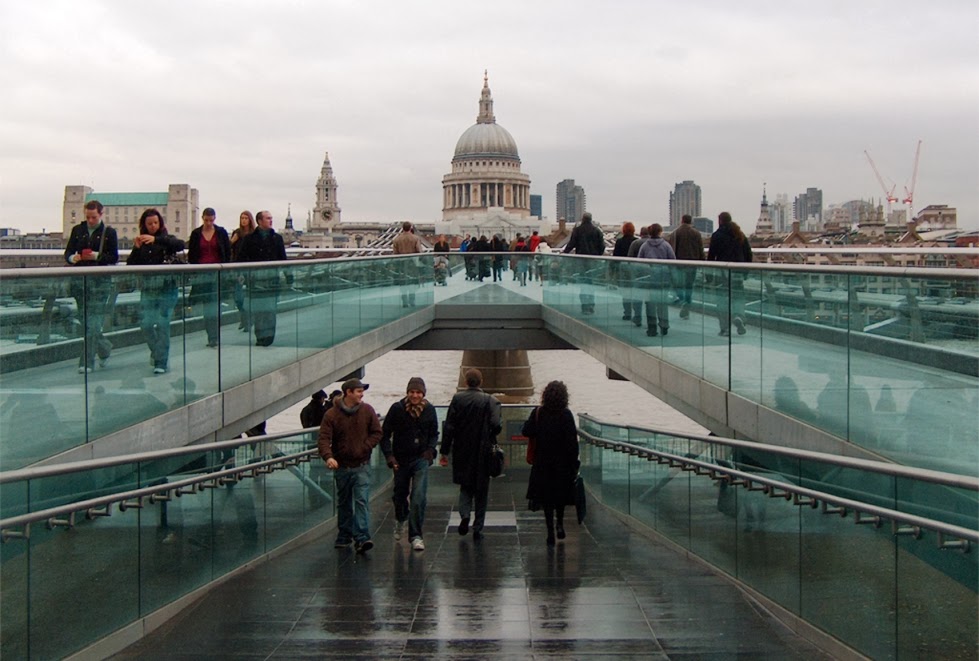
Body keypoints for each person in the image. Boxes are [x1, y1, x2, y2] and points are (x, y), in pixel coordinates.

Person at [318, 378, 382, 553]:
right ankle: (345, 535)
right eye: (359, 391)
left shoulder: (367, 410)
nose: (362, 394)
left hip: (362, 465)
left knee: (361, 501)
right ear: (348, 392)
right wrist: (328, 457)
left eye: (362, 391)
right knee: (344, 502)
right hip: (342, 466)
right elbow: (323, 438)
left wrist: (365, 446)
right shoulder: (331, 415)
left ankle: (362, 537)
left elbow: (377, 432)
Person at [439, 368, 502, 541]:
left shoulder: (458, 399)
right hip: (483, 451)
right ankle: (478, 527)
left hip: (462, 450)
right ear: (480, 382)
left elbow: (449, 427)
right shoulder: (490, 400)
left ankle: (465, 515)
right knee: (482, 489)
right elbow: (496, 425)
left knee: (465, 486)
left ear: (466, 382)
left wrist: (444, 451)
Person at [381, 377, 439, 551]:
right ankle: (400, 518)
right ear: (407, 393)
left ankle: (416, 535)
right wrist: (389, 456)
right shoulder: (397, 409)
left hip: (420, 458)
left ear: (423, 394)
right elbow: (385, 435)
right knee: (400, 495)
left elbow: (434, 433)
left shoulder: (429, 410)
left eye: (418, 392)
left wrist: (430, 450)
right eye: (412, 392)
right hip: (401, 459)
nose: (415, 395)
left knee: (418, 496)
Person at [126, 208, 186, 374]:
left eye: (155, 223)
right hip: (149, 288)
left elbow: (180, 244)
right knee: (145, 324)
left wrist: (156, 240)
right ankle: (156, 351)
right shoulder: (142, 243)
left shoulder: (166, 239)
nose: (152, 226)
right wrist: (137, 248)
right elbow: (131, 265)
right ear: (144, 225)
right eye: (149, 224)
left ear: (160, 223)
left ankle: (161, 361)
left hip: (168, 288)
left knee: (162, 324)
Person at [522, 380, 580, 546]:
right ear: (564, 397)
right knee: (560, 496)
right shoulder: (566, 415)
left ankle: (549, 532)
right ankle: (560, 524)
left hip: (543, 462)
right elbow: (572, 443)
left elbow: (526, 431)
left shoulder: (539, 412)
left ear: (545, 395)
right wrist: (574, 464)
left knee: (547, 498)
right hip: (562, 464)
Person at [65, 200, 119, 373]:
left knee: (93, 323)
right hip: (80, 283)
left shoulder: (109, 233)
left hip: (100, 283)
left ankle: (86, 362)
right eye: (88, 217)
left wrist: (97, 256)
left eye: (93, 217)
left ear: (101, 214)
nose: (90, 221)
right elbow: (68, 253)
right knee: (86, 322)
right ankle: (105, 347)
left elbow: (114, 258)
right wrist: (73, 258)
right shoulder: (77, 230)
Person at [236, 210, 290, 346]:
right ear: (259, 221)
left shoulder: (277, 238)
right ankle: (261, 336)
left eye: (271, 218)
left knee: (270, 310)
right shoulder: (249, 239)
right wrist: (241, 275)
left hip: (272, 280)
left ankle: (269, 336)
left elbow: (283, 259)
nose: (270, 221)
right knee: (259, 310)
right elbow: (241, 258)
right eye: (267, 218)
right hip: (255, 280)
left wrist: (288, 275)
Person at [187, 207, 232, 347]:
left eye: (211, 220)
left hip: (217, 273)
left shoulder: (221, 232)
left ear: (214, 219)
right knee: (208, 307)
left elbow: (227, 252)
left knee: (214, 306)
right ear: (202, 218)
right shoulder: (196, 234)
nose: (208, 223)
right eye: (206, 220)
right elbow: (192, 255)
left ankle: (214, 336)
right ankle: (211, 336)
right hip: (202, 274)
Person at [707, 211, 753, 336]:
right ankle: (739, 316)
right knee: (738, 297)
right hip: (738, 271)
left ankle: (725, 328)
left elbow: (711, 256)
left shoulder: (717, 235)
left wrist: (709, 275)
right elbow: (748, 253)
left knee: (722, 300)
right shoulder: (739, 234)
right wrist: (746, 271)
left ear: (720, 221)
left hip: (722, 272)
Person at [636, 223, 677, 337]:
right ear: (660, 232)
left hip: (649, 278)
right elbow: (673, 261)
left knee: (650, 303)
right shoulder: (666, 245)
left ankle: (652, 327)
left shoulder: (644, 246)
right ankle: (664, 325)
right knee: (662, 303)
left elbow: (640, 263)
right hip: (663, 278)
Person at [562, 212, 606, 314]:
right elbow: (602, 246)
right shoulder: (597, 231)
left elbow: (571, 244)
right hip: (593, 261)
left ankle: (584, 306)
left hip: (581, 260)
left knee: (583, 284)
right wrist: (597, 255)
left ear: (582, 219)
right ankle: (591, 305)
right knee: (591, 283)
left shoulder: (577, 230)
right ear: (591, 219)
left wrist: (564, 253)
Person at [668, 214, 704, 319]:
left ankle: (682, 299)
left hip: (679, 264)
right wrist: (702, 262)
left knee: (678, 285)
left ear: (682, 220)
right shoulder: (696, 233)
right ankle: (687, 305)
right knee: (689, 286)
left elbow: (672, 250)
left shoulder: (675, 233)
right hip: (693, 264)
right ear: (690, 221)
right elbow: (700, 249)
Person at [229, 211, 256, 332]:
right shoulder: (238, 233)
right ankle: (245, 317)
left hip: (251, 268)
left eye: (246, 218)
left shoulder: (254, 234)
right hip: (238, 267)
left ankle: (248, 320)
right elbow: (229, 246)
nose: (243, 220)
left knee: (249, 296)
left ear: (250, 220)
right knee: (238, 297)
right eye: (242, 218)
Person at [612, 222, 641, 324]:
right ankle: (637, 313)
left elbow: (615, 257)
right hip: (635, 271)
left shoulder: (619, 242)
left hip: (623, 271)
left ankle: (627, 313)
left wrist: (613, 270)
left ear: (623, 230)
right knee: (636, 292)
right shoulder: (637, 242)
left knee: (625, 292)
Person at [392, 221, 424, 307]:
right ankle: (412, 300)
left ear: (402, 228)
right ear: (410, 228)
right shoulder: (415, 238)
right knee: (412, 282)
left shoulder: (396, 239)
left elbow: (395, 253)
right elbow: (419, 252)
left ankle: (404, 302)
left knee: (403, 283)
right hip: (412, 264)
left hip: (401, 264)